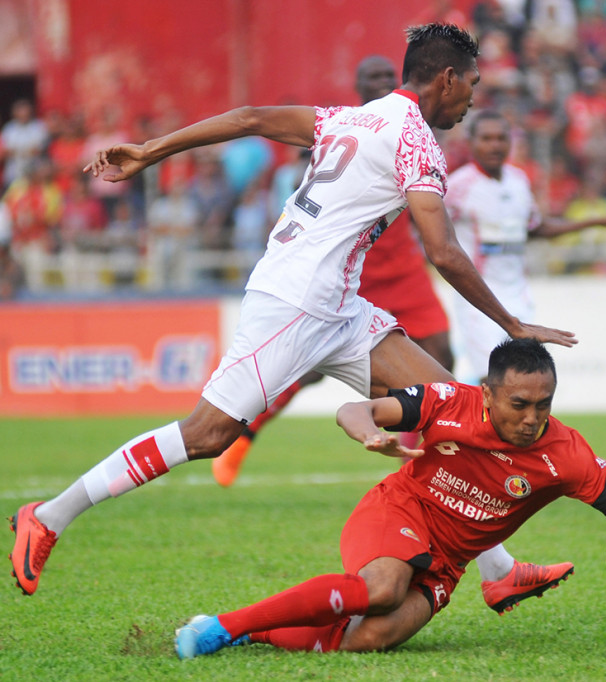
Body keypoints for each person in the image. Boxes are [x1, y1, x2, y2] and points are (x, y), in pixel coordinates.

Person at [8, 24, 577, 607]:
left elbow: (252, 116)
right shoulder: (416, 140)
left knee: (452, 404)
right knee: (206, 436)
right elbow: (444, 251)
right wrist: (513, 325)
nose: (474, 98)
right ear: (447, 78)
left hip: (336, 307)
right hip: (295, 302)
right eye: (473, 85)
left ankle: (498, 571)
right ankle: (48, 516)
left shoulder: (354, 117)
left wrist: (151, 151)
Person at [173, 338, 606, 659]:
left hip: (446, 565)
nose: (532, 417)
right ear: (490, 394)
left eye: (543, 404)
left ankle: (253, 636)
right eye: (519, 404)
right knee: (383, 588)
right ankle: (220, 628)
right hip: (396, 512)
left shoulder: (566, 455)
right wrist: (368, 432)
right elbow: (355, 405)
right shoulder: (448, 403)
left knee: (369, 639)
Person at [213, 55, 455, 487]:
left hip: (401, 266)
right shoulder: (352, 126)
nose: (381, 83)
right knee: (309, 369)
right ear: (359, 87)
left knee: (442, 352)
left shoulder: (414, 130)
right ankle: (244, 435)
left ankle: (416, 465)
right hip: (347, 270)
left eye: (387, 77)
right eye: (372, 78)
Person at [445, 110, 606, 384]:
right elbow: (431, 231)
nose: (494, 145)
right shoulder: (458, 187)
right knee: (492, 381)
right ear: (471, 142)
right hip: (478, 299)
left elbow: (536, 228)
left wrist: (599, 222)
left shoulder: (518, 181)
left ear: (510, 142)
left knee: (523, 380)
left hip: (518, 294)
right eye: (486, 138)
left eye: (500, 138)